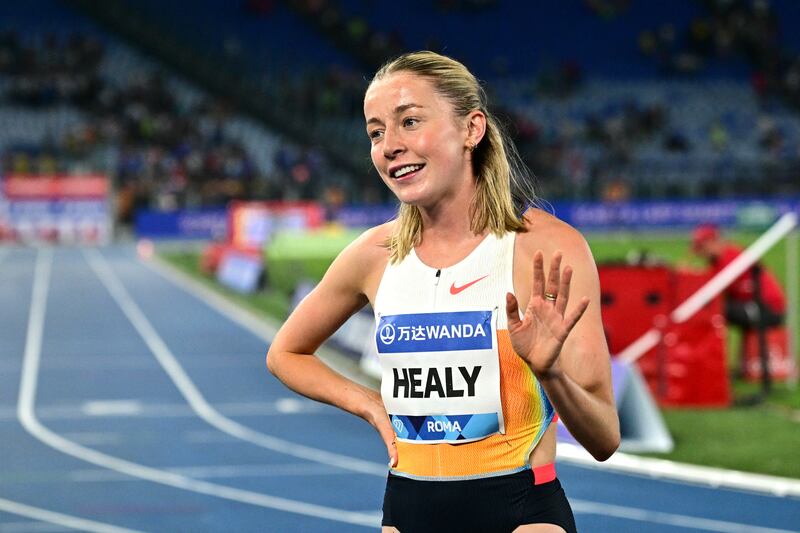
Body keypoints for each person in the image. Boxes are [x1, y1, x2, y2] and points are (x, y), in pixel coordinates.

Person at [267, 51, 620, 533]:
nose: (389, 145)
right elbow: (285, 352)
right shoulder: (374, 254)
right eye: (375, 132)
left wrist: (550, 372)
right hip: (408, 509)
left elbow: (604, 437)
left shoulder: (545, 248)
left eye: (409, 121)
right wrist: (369, 403)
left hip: (521, 510)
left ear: (472, 130)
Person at [691, 223, 787, 373]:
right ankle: (710, 364)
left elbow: (713, 291)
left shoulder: (729, 257)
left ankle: (711, 365)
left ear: (713, 242)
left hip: (768, 309)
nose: (701, 253)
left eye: (702, 248)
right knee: (714, 310)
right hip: (753, 305)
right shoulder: (721, 259)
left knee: (715, 311)